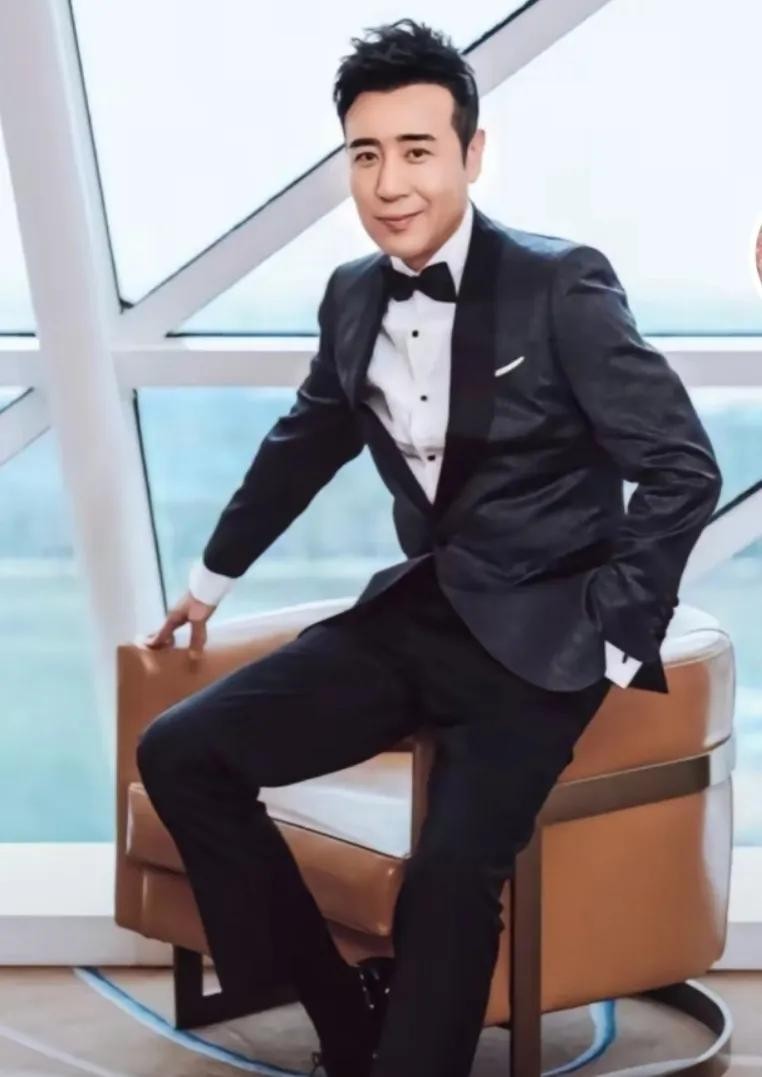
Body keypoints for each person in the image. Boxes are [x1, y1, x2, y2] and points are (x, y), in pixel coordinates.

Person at [136, 18, 722, 1077]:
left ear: (471, 153)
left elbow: (682, 466)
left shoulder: (559, 283)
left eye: (417, 150)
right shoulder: (352, 295)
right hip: (419, 611)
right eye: (366, 154)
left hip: (547, 640)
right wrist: (208, 581)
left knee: (452, 873)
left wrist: (609, 635)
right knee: (182, 752)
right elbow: (303, 443)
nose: (389, 182)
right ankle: (340, 1013)